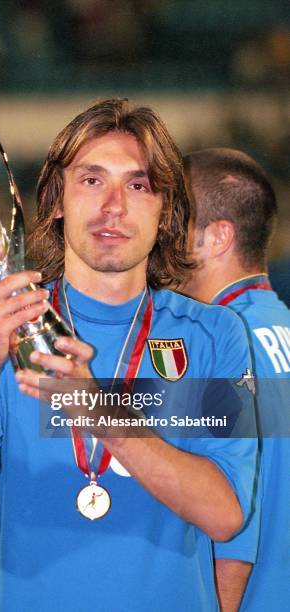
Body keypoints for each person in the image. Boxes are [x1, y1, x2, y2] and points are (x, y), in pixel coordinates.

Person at [0, 100, 258, 612]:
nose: (114, 206)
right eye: (92, 180)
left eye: (138, 185)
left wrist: (97, 410)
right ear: (56, 200)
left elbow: (225, 515)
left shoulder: (216, 335)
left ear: (166, 210)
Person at [181, 148, 290, 612]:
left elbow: (231, 535)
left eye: (172, 222)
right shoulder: (280, 327)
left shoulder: (219, 348)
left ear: (217, 237)